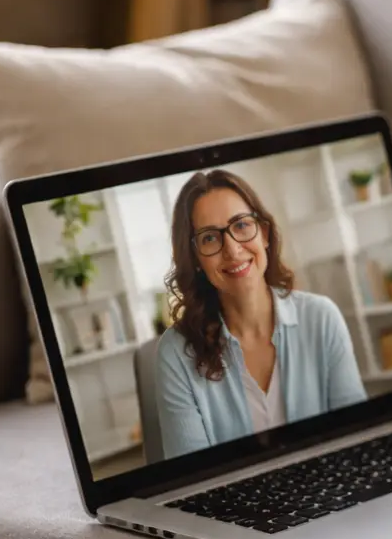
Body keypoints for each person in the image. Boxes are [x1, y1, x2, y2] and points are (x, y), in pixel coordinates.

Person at [155, 169, 366, 460]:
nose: (232, 249)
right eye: (209, 238)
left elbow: (358, 440)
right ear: (196, 259)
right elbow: (193, 480)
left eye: (241, 225)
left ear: (264, 233)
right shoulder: (176, 354)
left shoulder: (322, 318)